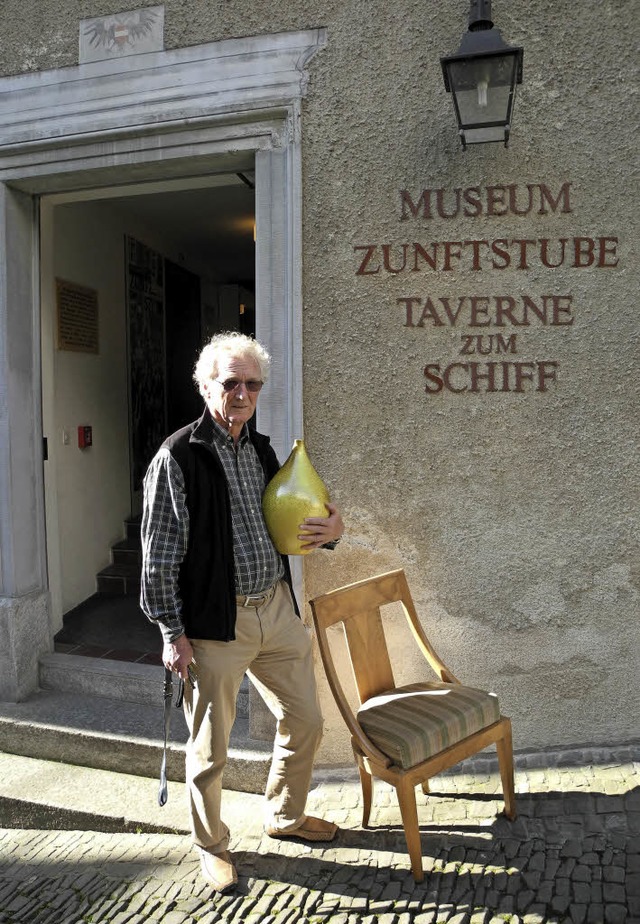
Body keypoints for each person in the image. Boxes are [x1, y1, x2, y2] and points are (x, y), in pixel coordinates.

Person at [140, 331, 344, 894]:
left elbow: (290, 515)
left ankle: (285, 816)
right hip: (213, 625)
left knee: (305, 719)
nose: (243, 393)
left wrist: (332, 529)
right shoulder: (176, 457)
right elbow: (157, 557)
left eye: (252, 384)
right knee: (211, 746)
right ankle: (211, 845)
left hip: (275, 609)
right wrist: (170, 632)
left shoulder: (259, 450)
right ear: (207, 385)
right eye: (231, 382)